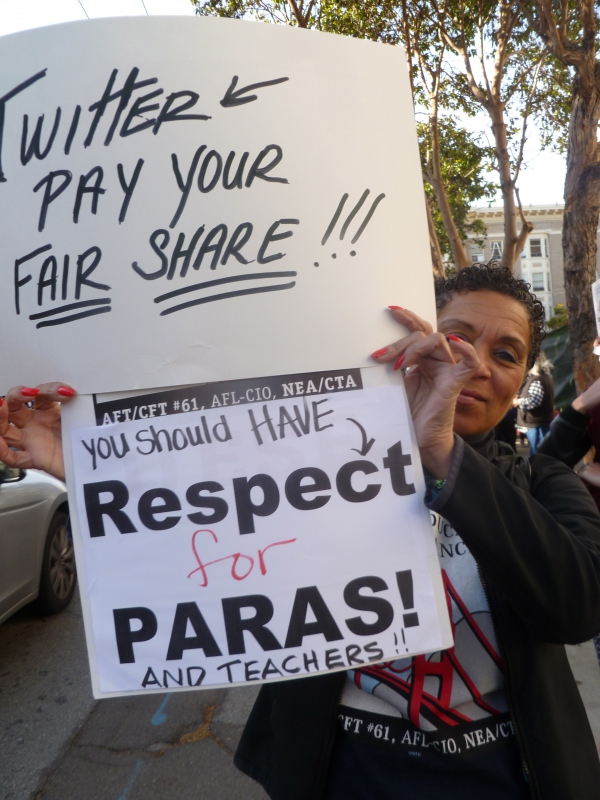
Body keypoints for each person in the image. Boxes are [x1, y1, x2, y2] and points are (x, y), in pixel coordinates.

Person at [1, 265, 600, 799]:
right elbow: (199, 531)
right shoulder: (311, 465)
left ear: (521, 379)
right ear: (417, 344)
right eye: (457, 338)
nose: (476, 365)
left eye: (506, 354)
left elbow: (579, 608)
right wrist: (91, 462)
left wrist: (441, 452)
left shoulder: (544, 482)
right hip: (338, 774)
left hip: (504, 777)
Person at [515, 353, 554, 454]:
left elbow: (534, 401)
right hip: (539, 423)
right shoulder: (545, 378)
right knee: (541, 451)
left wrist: (518, 402)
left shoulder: (537, 380)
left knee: (538, 452)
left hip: (537, 424)